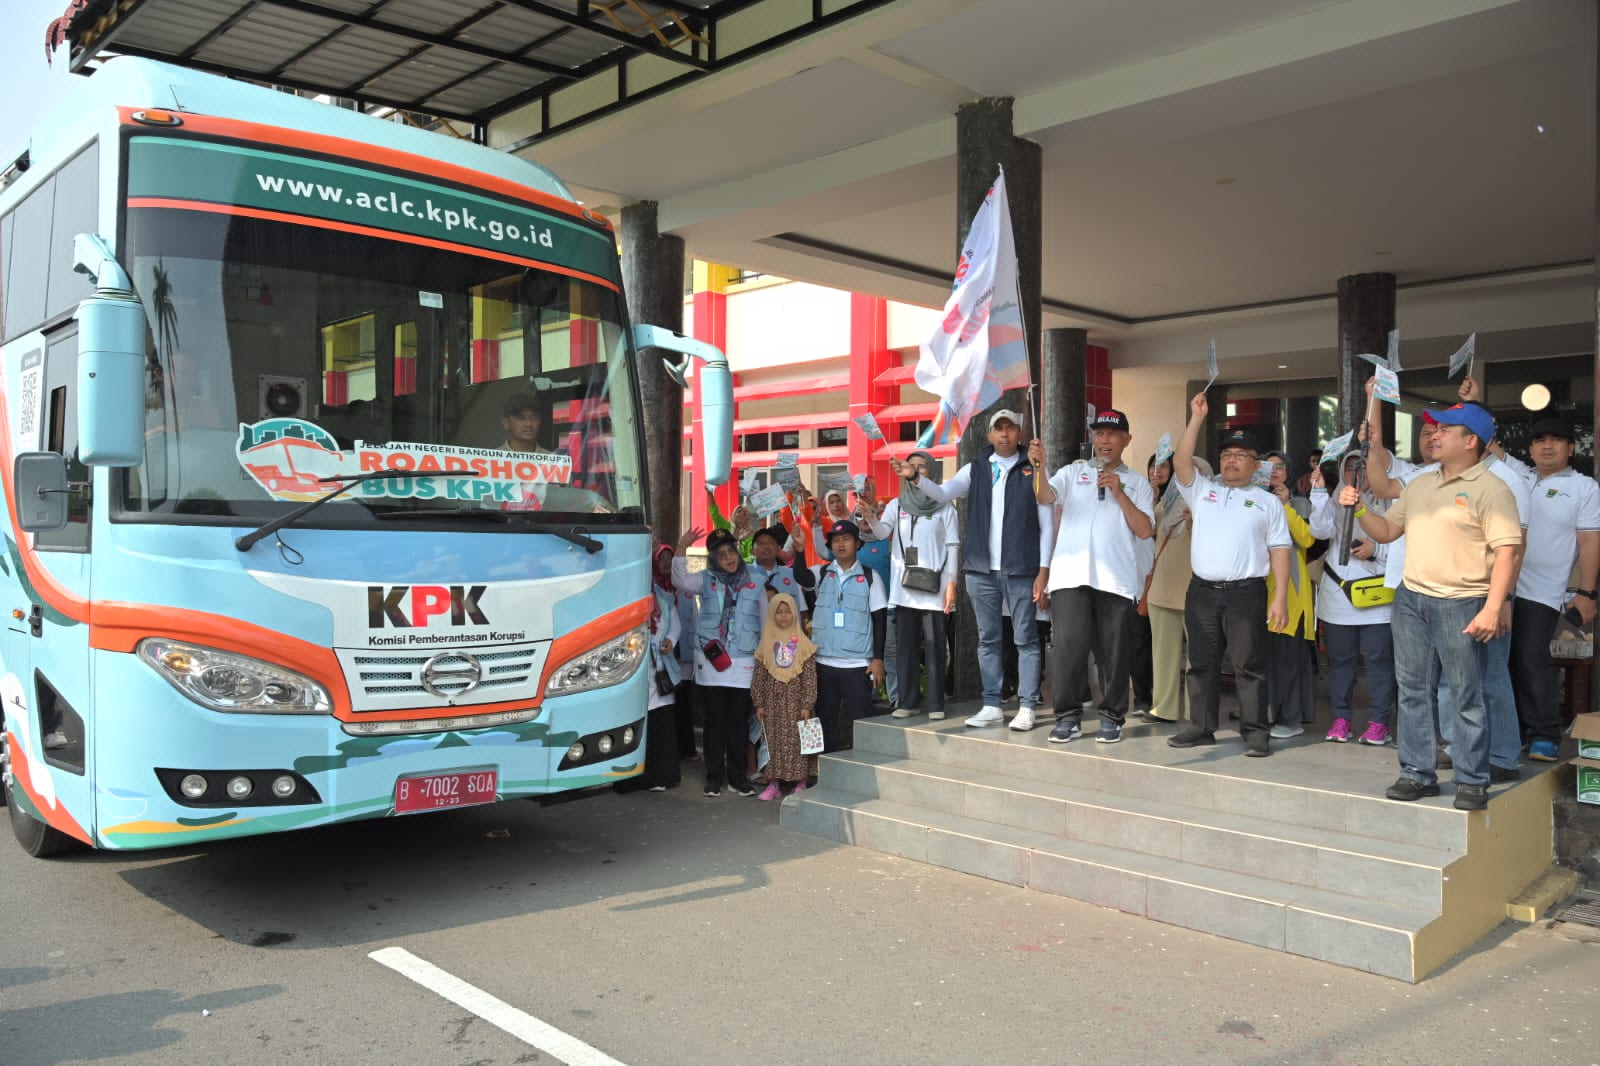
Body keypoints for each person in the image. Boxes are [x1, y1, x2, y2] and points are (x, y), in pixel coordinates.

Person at [1342, 402, 1522, 810]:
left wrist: (1494, 607)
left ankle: (1472, 778)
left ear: (1471, 440)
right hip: (1411, 600)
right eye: (1433, 428)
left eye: (1445, 429)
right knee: (1413, 691)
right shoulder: (1420, 483)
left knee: (1466, 692)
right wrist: (1360, 509)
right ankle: (1416, 773)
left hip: (1462, 601)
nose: (1434, 435)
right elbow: (1387, 531)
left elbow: (1508, 552)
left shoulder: (1492, 489)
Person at [890, 409, 1053, 729]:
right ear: (989, 435)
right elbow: (943, 493)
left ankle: (1027, 705)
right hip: (981, 570)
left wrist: (1044, 569)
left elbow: (1047, 522)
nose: (1004, 434)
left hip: (1021, 568)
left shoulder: (1032, 466)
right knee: (988, 639)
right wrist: (915, 477)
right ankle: (991, 703)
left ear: (1020, 433)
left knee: (1026, 639)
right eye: (998, 429)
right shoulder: (976, 468)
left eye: (1011, 428)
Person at [1169, 395, 1291, 757]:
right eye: (1226, 455)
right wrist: (1195, 419)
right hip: (1202, 591)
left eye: (1239, 456)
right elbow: (1180, 462)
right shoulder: (1204, 490)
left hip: (1246, 593)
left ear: (1255, 465)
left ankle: (1255, 732)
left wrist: (1279, 597)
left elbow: (1280, 550)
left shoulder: (1268, 502)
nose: (1231, 461)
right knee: (1201, 662)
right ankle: (1201, 726)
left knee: (1249, 665)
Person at [1026, 409, 1155, 742]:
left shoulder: (1138, 483)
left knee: (1114, 652)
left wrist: (1119, 493)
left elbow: (1144, 531)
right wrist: (1039, 466)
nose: (1104, 440)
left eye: (1112, 434)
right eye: (1099, 434)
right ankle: (1068, 716)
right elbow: (1044, 496)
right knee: (1069, 649)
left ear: (1126, 439)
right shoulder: (1073, 472)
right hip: (1071, 577)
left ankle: (1112, 715)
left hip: (1116, 579)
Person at [1491, 412, 1600, 763]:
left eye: (1556, 440)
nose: (1547, 446)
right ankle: (1514, 732)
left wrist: (1586, 593)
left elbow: (1589, 542)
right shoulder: (1521, 477)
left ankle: (1545, 733)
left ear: (1571, 448)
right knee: (1502, 662)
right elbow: (1486, 445)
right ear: (1531, 448)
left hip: (1543, 592)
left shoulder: (1584, 487)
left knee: (1530, 658)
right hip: (1502, 585)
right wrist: (1472, 401)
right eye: (1540, 440)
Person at [1308, 452, 1396, 745]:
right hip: (1339, 595)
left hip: (1377, 596)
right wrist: (1319, 492)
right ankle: (1341, 718)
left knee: (1378, 661)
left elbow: (1406, 542)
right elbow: (1319, 530)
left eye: (1364, 468)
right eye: (1350, 469)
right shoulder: (1334, 500)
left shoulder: (1391, 501)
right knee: (1340, 661)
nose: (1357, 475)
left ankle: (1379, 722)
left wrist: (1378, 549)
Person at [673, 526, 765, 797]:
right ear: (713, 558)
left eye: (731, 551)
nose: (728, 558)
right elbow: (679, 580)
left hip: (744, 661)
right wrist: (682, 547)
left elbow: (763, 619)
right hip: (712, 662)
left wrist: (763, 658)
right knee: (715, 722)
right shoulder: (706, 579)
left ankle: (738, 778)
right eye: (721, 554)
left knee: (737, 723)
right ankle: (714, 777)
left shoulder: (756, 579)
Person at [883, 450, 960, 721]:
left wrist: (952, 583)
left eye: (921, 467)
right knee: (906, 648)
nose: (915, 471)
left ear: (932, 473)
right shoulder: (897, 504)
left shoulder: (945, 506)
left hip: (935, 590)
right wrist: (866, 517)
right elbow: (881, 532)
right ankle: (908, 700)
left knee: (936, 646)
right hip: (905, 590)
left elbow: (952, 546)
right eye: (911, 466)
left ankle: (936, 703)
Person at [1140, 456, 1213, 724]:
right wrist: (1153, 498)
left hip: (1197, 592)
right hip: (1162, 589)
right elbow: (1147, 531)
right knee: (1163, 655)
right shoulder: (1165, 503)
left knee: (1199, 658)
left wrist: (1196, 523)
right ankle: (1164, 708)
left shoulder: (1211, 506)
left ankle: (1198, 712)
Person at [808, 519, 889, 751]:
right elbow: (802, 577)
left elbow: (879, 619)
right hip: (823, 662)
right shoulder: (822, 572)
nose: (840, 544)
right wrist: (802, 550)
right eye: (835, 540)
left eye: (846, 539)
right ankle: (825, 773)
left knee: (860, 722)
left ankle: (862, 771)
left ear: (857, 544)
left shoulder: (870, 577)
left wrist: (877, 659)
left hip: (857, 665)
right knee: (824, 721)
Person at [1261, 450, 1318, 739]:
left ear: (1289, 473)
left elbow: (1308, 538)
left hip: (1290, 595)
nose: (1274, 473)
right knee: (1263, 660)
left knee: (1288, 660)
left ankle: (1289, 719)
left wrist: (1284, 506)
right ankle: (1265, 712)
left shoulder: (1300, 504)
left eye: (1280, 468)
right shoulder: (1253, 502)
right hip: (1257, 591)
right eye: (1267, 468)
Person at [617, 542, 683, 793]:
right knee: (633, 722)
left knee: (661, 723)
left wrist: (670, 641)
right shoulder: (624, 597)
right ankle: (631, 777)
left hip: (659, 668)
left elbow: (675, 624)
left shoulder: (664, 598)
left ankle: (662, 775)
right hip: (631, 669)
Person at [751, 593, 820, 800]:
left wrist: (808, 703)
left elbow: (810, 677)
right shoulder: (766, 645)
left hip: (797, 703)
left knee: (799, 742)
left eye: (787, 611)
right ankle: (774, 784)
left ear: (794, 613)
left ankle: (800, 782)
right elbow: (759, 677)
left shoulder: (804, 645)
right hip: (773, 705)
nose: (783, 616)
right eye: (778, 612)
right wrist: (759, 703)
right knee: (773, 743)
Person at [1128, 454, 1172, 717]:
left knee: (1164, 644)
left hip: (1168, 579)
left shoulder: (1180, 498)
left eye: (1164, 466)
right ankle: (1142, 697)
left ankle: (1165, 699)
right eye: (1153, 466)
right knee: (1139, 640)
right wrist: (1151, 500)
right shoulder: (1139, 495)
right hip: (1141, 577)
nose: (1158, 471)